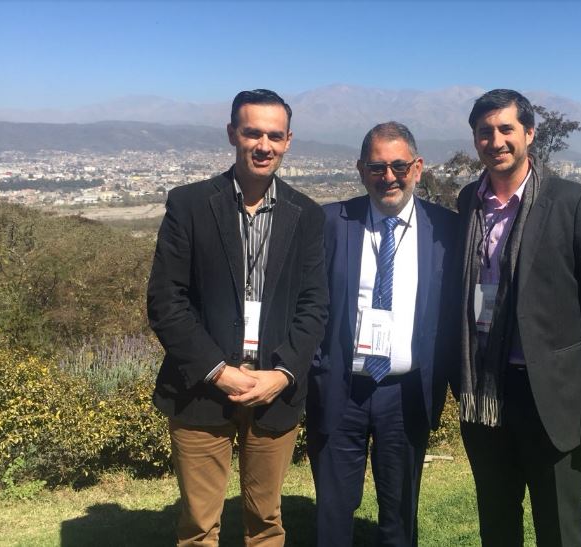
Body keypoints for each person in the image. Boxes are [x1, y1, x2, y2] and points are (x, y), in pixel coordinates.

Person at [147, 88, 329, 546]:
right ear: (233, 134)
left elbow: (314, 304)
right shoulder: (189, 205)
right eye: (252, 133)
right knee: (197, 527)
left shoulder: (306, 214)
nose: (263, 145)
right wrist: (217, 370)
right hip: (201, 387)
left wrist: (283, 373)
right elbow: (167, 300)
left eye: (273, 135)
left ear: (288, 141)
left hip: (274, 391)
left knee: (266, 522)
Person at [455, 89, 581, 546]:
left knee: (559, 526)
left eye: (506, 129)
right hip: (486, 395)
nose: (495, 141)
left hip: (554, 399)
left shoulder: (572, 203)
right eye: (484, 132)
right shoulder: (466, 203)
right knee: (496, 521)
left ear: (529, 134)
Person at [306, 122, 458, 546]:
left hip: (407, 394)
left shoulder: (447, 229)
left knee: (399, 512)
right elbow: (308, 303)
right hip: (340, 387)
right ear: (360, 169)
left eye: (398, 165)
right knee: (334, 511)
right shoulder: (331, 222)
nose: (388, 176)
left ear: (418, 167)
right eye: (377, 167)